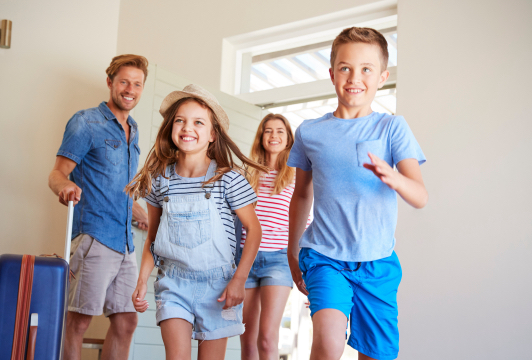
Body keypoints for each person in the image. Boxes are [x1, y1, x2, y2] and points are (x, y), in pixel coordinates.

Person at [287, 27, 428, 360]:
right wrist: (293, 253)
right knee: (328, 344)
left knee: (377, 355)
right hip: (324, 256)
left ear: (382, 77)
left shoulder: (392, 128)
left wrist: (393, 178)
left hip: (377, 262)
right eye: (345, 67)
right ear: (332, 73)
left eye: (366, 69)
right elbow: (301, 195)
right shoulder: (310, 132)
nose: (355, 77)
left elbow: (420, 195)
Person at [127, 84, 266, 360]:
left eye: (198, 122)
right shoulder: (160, 181)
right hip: (173, 284)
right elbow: (153, 239)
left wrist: (239, 280)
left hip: (220, 287)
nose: (187, 127)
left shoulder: (227, 179)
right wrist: (142, 279)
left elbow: (254, 231)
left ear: (212, 134)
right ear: (171, 128)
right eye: (180, 120)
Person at [48, 54, 149, 360]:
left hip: (126, 243)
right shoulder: (86, 122)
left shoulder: (133, 129)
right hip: (94, 237)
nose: (130, 89)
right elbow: (57, 173)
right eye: (124, 82)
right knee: (78, 320)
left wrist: (135, 209)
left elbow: (116, 185)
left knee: (127, 320)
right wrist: (64, 186)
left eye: (137, 84)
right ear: (110, 83)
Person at [236, 113, 311, 360]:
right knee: (246, 338)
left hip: (279, 260)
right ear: (261, 137)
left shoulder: (296, 176)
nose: (274, 136)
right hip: (246, 258)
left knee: (267, 338)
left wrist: (309, 271)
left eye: (280, 131)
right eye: (268, 130)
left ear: (288, 138)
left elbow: (306, 224)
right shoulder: (247, 175)